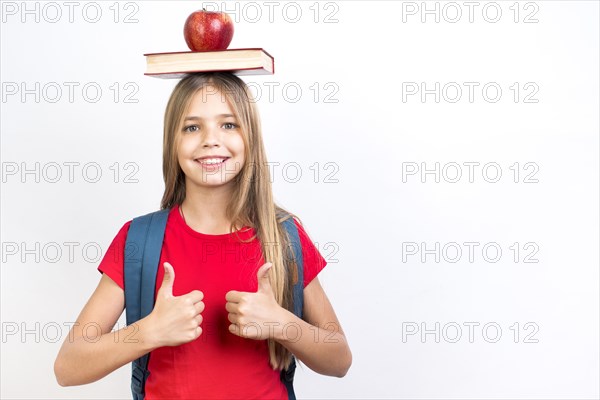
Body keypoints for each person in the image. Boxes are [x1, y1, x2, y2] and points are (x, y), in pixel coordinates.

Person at [53, 72, 352, 399]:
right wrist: (149, 331)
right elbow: (68, 367)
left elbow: (338, 360)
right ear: (173, 142)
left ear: (250, 137)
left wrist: (281, 323)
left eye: (229, 124)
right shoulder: (138, 239)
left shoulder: (284, 237)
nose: (211, 139)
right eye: (192, 127)